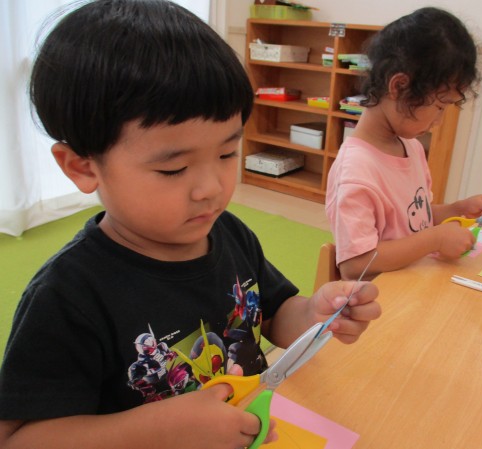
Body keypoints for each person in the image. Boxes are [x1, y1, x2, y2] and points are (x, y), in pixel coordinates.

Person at [0, 1, 381, 448]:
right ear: (82, 167)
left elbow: (275, 314)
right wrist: (157, 431)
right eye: (174, 169)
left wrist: (314, 315)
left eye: (226, 153)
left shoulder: (229, 233)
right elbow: (18, 439)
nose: (211, 189)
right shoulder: (68, 296)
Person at [326, 7, 482, 280]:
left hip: (415, 283)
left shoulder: (411, 148)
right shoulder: (356, 170)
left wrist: (456, 210)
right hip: (377, 297)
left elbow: (415, 219)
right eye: (440, 106)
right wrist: (434, 239)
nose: (439, 120)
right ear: (398, 87)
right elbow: (355, 263)